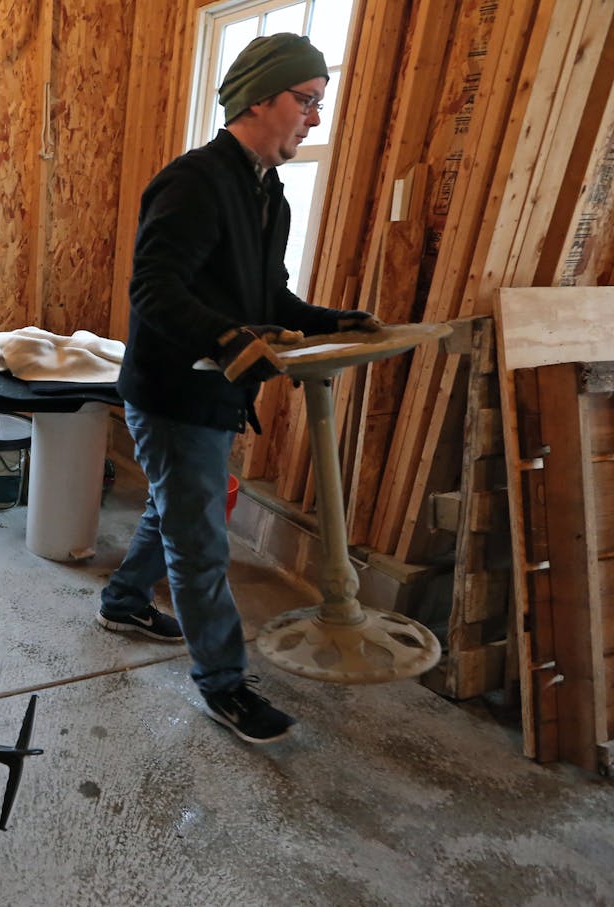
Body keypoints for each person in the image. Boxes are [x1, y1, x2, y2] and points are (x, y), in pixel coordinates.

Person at [96, 33, 380, 744]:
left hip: (216, 393)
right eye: (307, 101)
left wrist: (327, 321)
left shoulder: (266, 192)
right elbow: (154, 289)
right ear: (261, 97)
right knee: (201, 543)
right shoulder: (194, 182)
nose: (315, 118)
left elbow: (267, 294)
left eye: (320, 104)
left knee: (178, 508)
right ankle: (223, 684)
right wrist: (227, 341)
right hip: (172, 393)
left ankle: (124, 600)